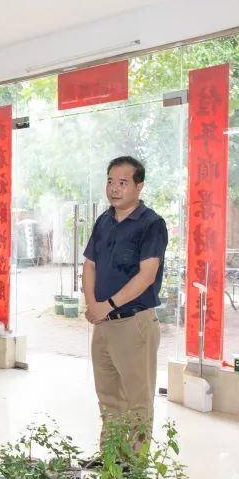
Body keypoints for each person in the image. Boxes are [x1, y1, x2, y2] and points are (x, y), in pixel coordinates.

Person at [82, 156, 168, 450]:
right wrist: (93, 305)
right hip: (103, 324)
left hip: (134, 324)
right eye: (110, 181)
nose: (114, 188)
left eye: (122, 182)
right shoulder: (104, 221)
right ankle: (111, 463)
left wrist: (107, 305)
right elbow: (90, 264)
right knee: (108, 399)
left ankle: (134, 471)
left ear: (139, 186)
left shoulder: (151, 224)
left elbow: (146, 276)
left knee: (137, 403)